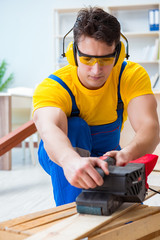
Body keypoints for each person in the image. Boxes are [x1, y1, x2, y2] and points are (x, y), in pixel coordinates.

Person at [33, 7, 159, 206]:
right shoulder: (55, 86)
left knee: (124, 214)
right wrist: (70, 161)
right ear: (73, 54)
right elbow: (48, 127)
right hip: (62, 154)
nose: (96, 70)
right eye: (87, 59)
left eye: (106, 59)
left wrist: (127, 154)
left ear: (118, 54)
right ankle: (72, 215)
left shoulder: (130, 76)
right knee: (76, 126)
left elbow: (149, 128)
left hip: (107, 153)